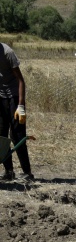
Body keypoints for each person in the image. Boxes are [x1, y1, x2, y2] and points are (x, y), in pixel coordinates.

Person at [0, 42, 33, 182]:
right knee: (1, 138)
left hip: (14, 98)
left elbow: (21, 81)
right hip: (0, 98)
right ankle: (9, 171)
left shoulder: (8, 52)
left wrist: (21, 106)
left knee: (17, 136)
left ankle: (27, 173)